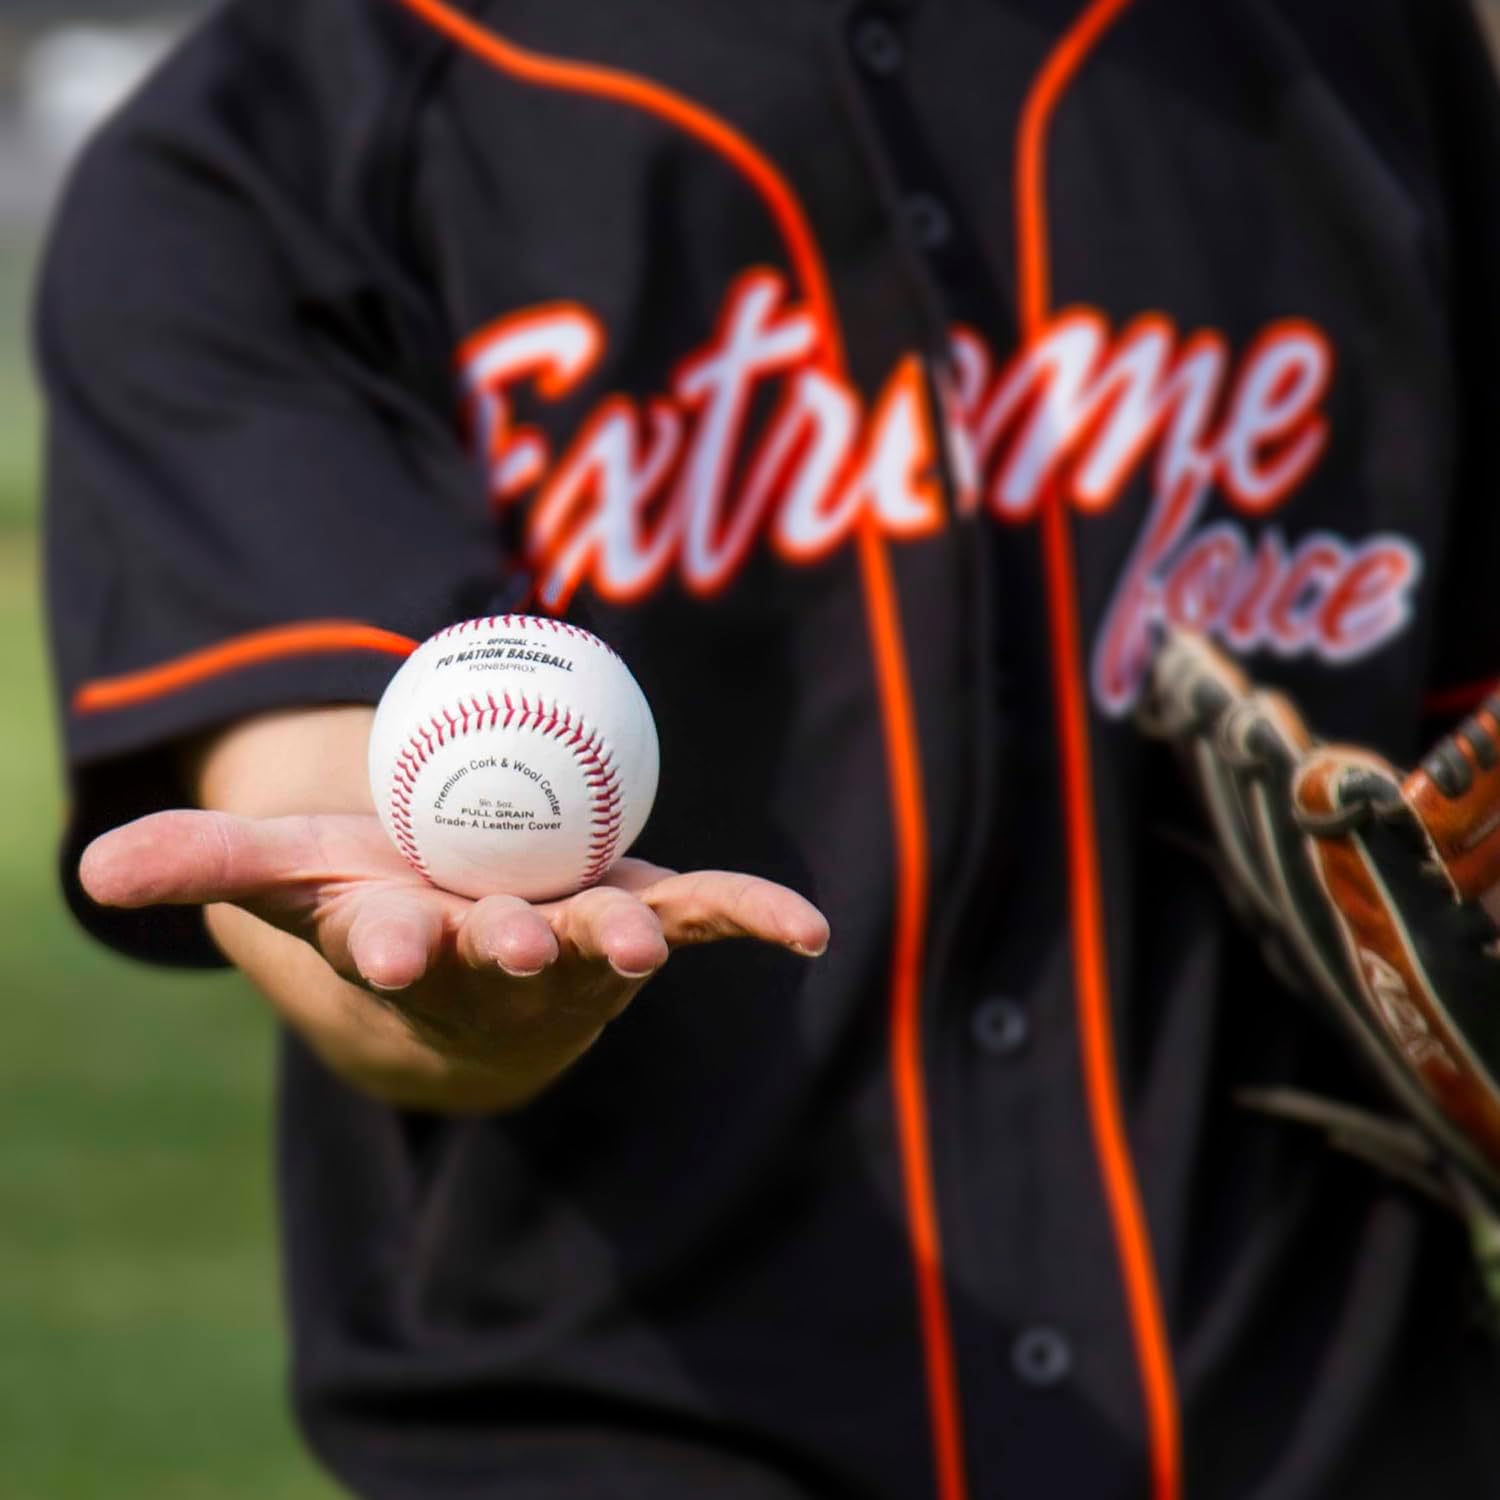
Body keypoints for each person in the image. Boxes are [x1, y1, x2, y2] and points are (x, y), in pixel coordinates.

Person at [38, 0, 1500, 1496]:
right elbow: (319, 793)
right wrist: (452, 977)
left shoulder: (1364, 52)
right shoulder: (266, 143)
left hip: (1341, 1420)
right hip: (639, 1429)